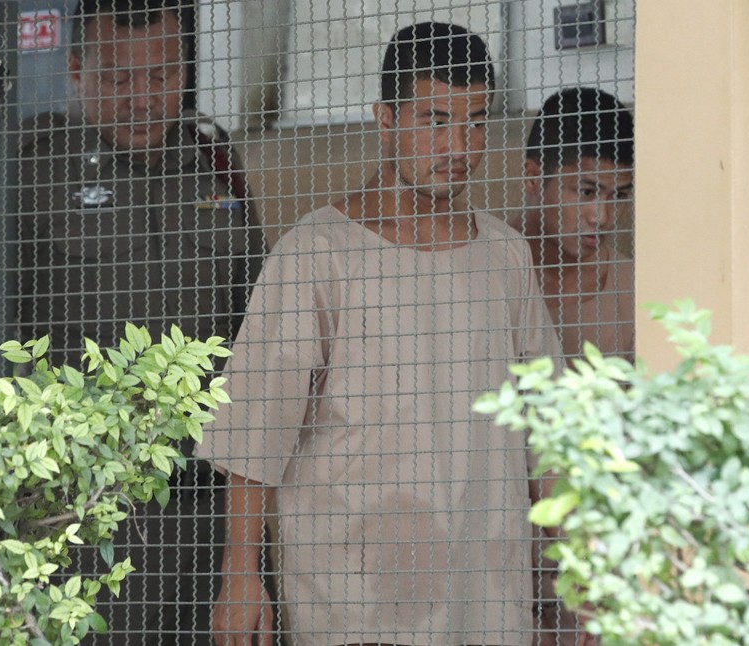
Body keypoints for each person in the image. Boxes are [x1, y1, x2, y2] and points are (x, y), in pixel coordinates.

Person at [200, 21, 563, 646]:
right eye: (436, 119)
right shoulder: (316, 253)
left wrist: (576, 571)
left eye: (476, 121)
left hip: (489, 599)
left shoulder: (506, 257)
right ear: (385, 118)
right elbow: (255, 425)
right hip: (354, 603)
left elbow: (550, 429)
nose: (461, 145)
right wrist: (241, 571)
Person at [17, 0, 266, 642]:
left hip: (207, 512)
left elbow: (259, 333)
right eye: (118, 79)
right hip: (85, 515)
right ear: (76, 68)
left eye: (159, 77)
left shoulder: (217, 167)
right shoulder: (34, 171)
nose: (142, 99)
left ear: (184, 68)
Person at [522, 87, 635, 366]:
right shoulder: (484, 268)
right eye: (586, 192)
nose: (602, 217)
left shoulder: (633, 287)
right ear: (533, 177)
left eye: (618, 196)